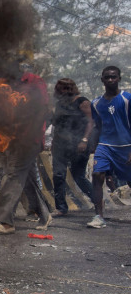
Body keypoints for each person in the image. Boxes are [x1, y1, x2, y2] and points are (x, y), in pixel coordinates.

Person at [0, 63, 52, 234]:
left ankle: (6, 222)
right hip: (14, 138)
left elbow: (43, 110)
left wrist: (30, 136)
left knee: (14, 174)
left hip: (28, 138)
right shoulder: (6, 85)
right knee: (27, 178)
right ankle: (44, 213)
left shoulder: (34, 82)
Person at [87, 66, 131, 229]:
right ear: (102, 80)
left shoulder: (127, 98)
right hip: (105, 146)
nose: (110, 80)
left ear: (119, 78)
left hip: (127, 146)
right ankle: (98, 216)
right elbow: (98, 126)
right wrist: (93, 146)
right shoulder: (96, 103)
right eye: (107, 77)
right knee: (97, 175)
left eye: (113, 77)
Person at [50, 78, 94, 217]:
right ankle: (61, 208)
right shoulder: (59, 104)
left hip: (78, 144)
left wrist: (84, 140)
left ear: (73, 88)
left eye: (69, 88)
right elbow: (57, 124)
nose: (66, 91)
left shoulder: (82, 102)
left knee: (78, 175)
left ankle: (97, 200)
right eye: (63, 88)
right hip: (60, 145)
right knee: (58, 175)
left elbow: (90, 122)